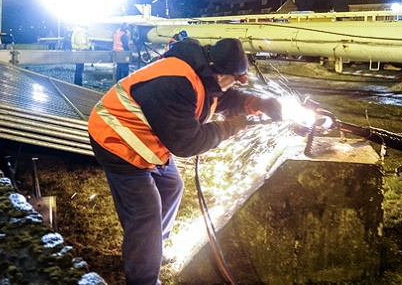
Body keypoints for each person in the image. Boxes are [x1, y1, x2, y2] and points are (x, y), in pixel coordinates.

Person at [88, 37, 282, 285]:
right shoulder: (176, 83)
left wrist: (254, 103)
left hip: (147, 138)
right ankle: (143, 278)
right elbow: (187, 143)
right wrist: (229, 127)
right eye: (232, 79)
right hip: (117, 138)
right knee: (145, 211)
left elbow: (221, 97)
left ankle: (152, 248)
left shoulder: (202, 73)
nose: (231, 84)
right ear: (219, 72)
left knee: (171, 187)